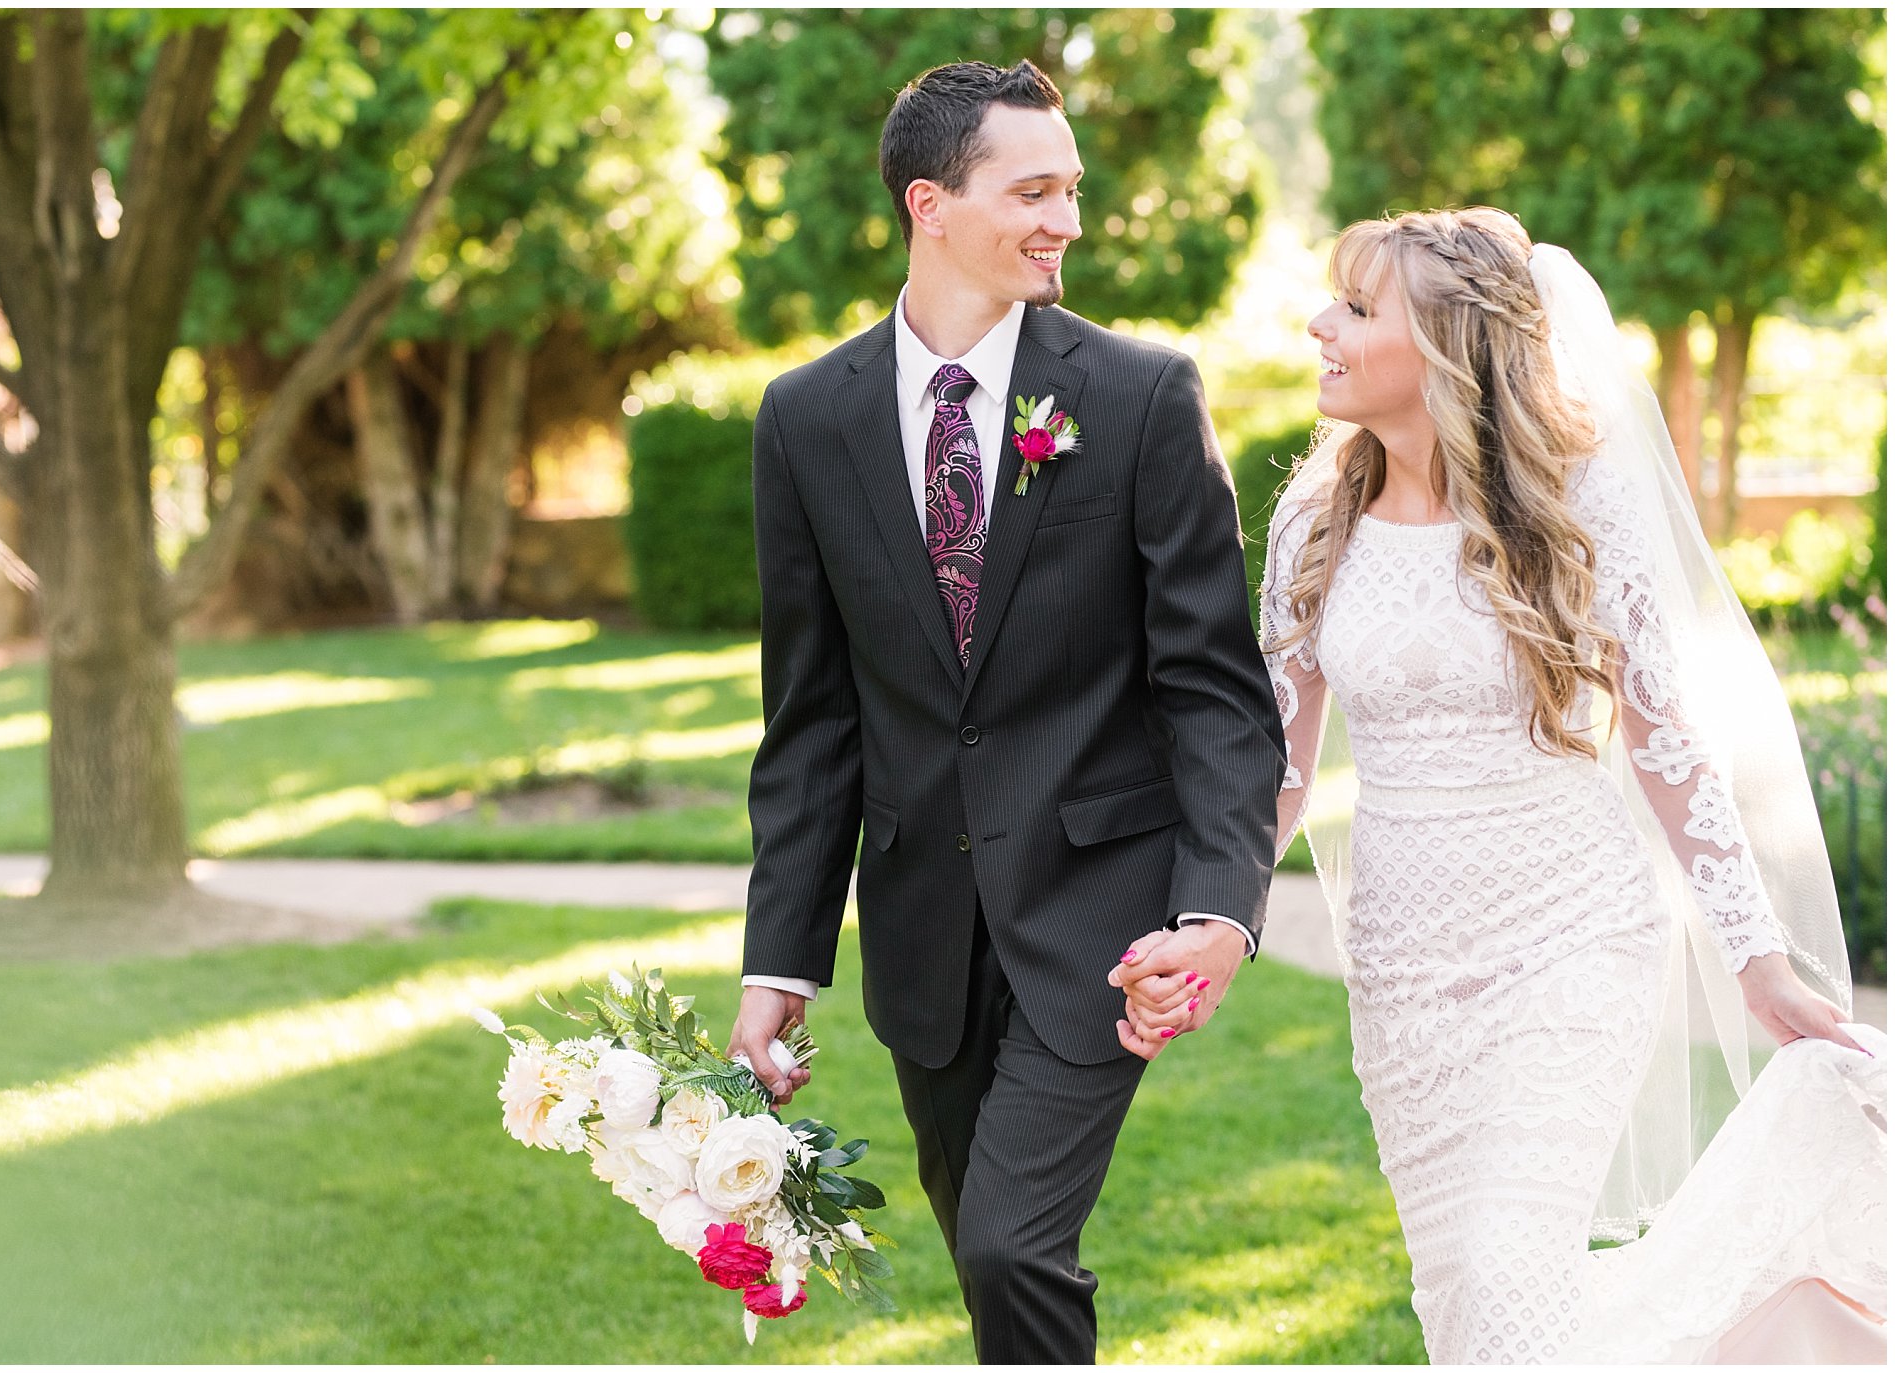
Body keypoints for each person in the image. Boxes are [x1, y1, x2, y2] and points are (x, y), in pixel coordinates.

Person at [1123, 206, 1885, 1363]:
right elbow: (1269, 770)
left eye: (1355, 307)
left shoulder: (1579, 502)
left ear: (1444, 346)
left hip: (1571, 932)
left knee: (1505, 1263)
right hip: (1403, 962)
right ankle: (1782, 1317)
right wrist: (1207, 917)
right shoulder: (1310, 522)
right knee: (1465, 1308)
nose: (1317, 323)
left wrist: (1755, 955)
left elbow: (1662, 741)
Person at [725, 59, 1285, 1363]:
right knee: (993, 1257)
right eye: (1034, 191)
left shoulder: (1144, 398)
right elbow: (810, 720)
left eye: (1072, 190)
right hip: (925, 933)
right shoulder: (805, 420)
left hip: (1102, 915)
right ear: (932, 202)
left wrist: (1215, 911)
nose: (1067, 221)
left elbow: (1214, 687)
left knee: (1010, 1245)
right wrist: (780, 961)